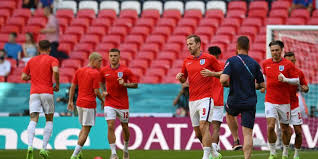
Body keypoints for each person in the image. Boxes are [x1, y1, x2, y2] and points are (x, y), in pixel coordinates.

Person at [176, 35, 223, 159]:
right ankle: (214, 152)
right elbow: (183, 79)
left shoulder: (209, 58)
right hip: (192, 100)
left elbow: (223, 73)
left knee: (204, 126)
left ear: (198, 44)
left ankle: (206, 156)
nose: (189, 46)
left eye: (191, 44)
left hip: (206, 98)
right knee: (198, 133)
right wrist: (180, 77)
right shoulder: (187, 60)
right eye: (187, 44)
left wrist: (212, 73)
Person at [220, 36, 265, 159]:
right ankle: (247, 158)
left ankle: (235, 140)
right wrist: (252, 85)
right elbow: (262, 85)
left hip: (234, 100)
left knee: (229, 113)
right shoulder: (255, 63)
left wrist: (229, 84)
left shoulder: (232, 60)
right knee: (248, 133)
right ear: (249, 47)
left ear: (237, 47)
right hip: (249, 102)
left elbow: (223, 80)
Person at [21, 40, 59, 159]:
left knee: (33, 119)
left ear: (38, 48)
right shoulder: (52, 59)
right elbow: (56, 71)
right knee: (49, 119)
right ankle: (43, 148)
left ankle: (30, 146)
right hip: (47, 92)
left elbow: (23, 76)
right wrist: (57, 83)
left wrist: (32, 76)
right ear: (49, 49)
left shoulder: (31, 60)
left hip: (34, 93)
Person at [262, 40, 299, 159]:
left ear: (281, 50)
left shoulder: (288, 64)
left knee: (285, 129)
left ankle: (285, 151)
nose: (275, 52)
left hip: (284, 102)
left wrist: (286, 80)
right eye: (272, 50)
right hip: (270, 100)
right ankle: (272, 152)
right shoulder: (266, 63)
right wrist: (262, 86)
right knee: (271, 126)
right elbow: (263, 78)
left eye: (277, 50)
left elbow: (297, 80)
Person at [100, 48, 138, 159]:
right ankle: (113, 153)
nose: (113, 58)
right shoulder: (104, 70)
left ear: (119, 57)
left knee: (125, 127)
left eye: (115, 55)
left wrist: (125, 84)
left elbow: (135, 84)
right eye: (111, 55)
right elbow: (100, 82)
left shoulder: (126, 70)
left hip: (123, 104)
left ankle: (125, 148)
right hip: (109, 103)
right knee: (110, 125)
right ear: (108, 57)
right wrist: (103, 91)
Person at [67, 52, 104, 159]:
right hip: (89, 104)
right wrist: (103, 100)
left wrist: (70, 101)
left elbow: (73, 87)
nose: (100, 63)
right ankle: (74, 156)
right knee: (86, 130)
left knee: (83, 128)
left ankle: (78, 154)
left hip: (79, 103)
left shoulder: (79, 71)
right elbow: (96, 91)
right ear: (93, 60)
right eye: (99, 61)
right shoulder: (95, 73)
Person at [284, 52, 309, 159]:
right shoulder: (280, 73)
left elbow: (306, 87)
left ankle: (296, 155)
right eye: (289, 61)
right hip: (282, 105)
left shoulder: (299, 73)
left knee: (298, 131)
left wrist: (305, 88)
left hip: (294, 105)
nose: (291, 63)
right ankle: (285, 152)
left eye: (293, 61)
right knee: (286, 131)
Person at [207, 46, 225, 155]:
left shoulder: (204, 67)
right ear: (219, 55)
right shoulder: (222, 67)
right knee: (216, 128)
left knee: (205, 128)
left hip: (206, 100)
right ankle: (214, 149)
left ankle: (211, 151)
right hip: (218, 101)